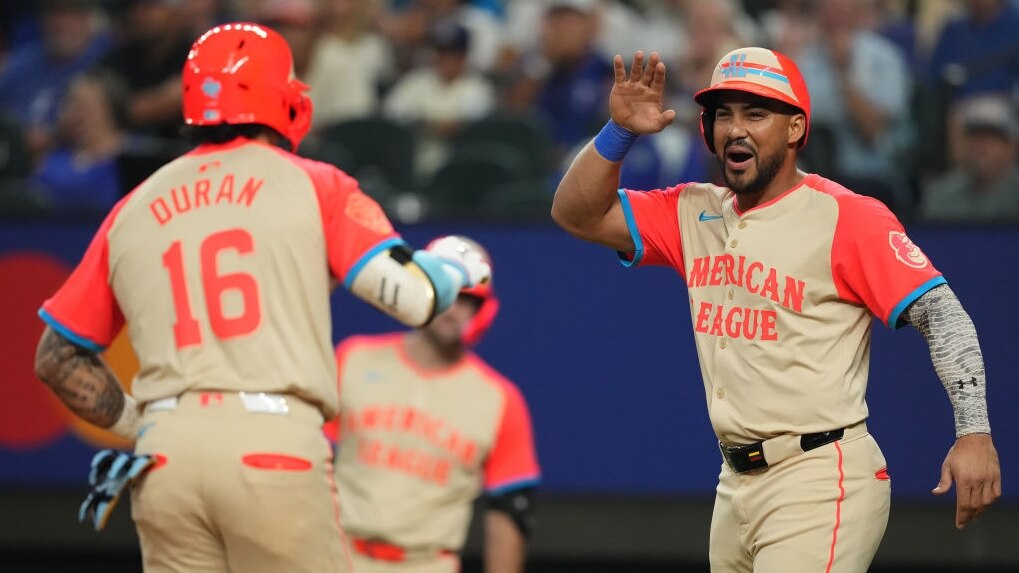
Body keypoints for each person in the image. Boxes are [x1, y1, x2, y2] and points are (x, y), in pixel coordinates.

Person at [32, 22, 490, 573]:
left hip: (165, 453)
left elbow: (56, 357)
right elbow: (411, 300)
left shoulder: (131, 208)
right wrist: (450, 266)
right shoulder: (316, 183)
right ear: (286, 99)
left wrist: (142, 426)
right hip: (271, 443)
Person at [550, 47, 1001, 572]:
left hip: (818, 476)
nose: (734, 129)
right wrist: (619, 132)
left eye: (755, 113)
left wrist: (974, 431)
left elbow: (943, 315)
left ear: (795, 129)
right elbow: (575, 214)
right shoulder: (693, 211)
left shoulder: (846, 217)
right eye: (723, 114)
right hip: (734, 485)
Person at [324, 236, 541, 573]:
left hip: (427, 563)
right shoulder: (353, 359)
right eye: (443, 287)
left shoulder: (500, 400)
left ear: (483, 310)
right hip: (338, 555)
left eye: (466, 297)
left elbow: (510, 511)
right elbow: (307, 464)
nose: (452, 306)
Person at [918, 95, 1019, 224]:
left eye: (994, 139)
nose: (982, 147)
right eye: (975, 137)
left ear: (1013, 146)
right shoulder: (940, 194)